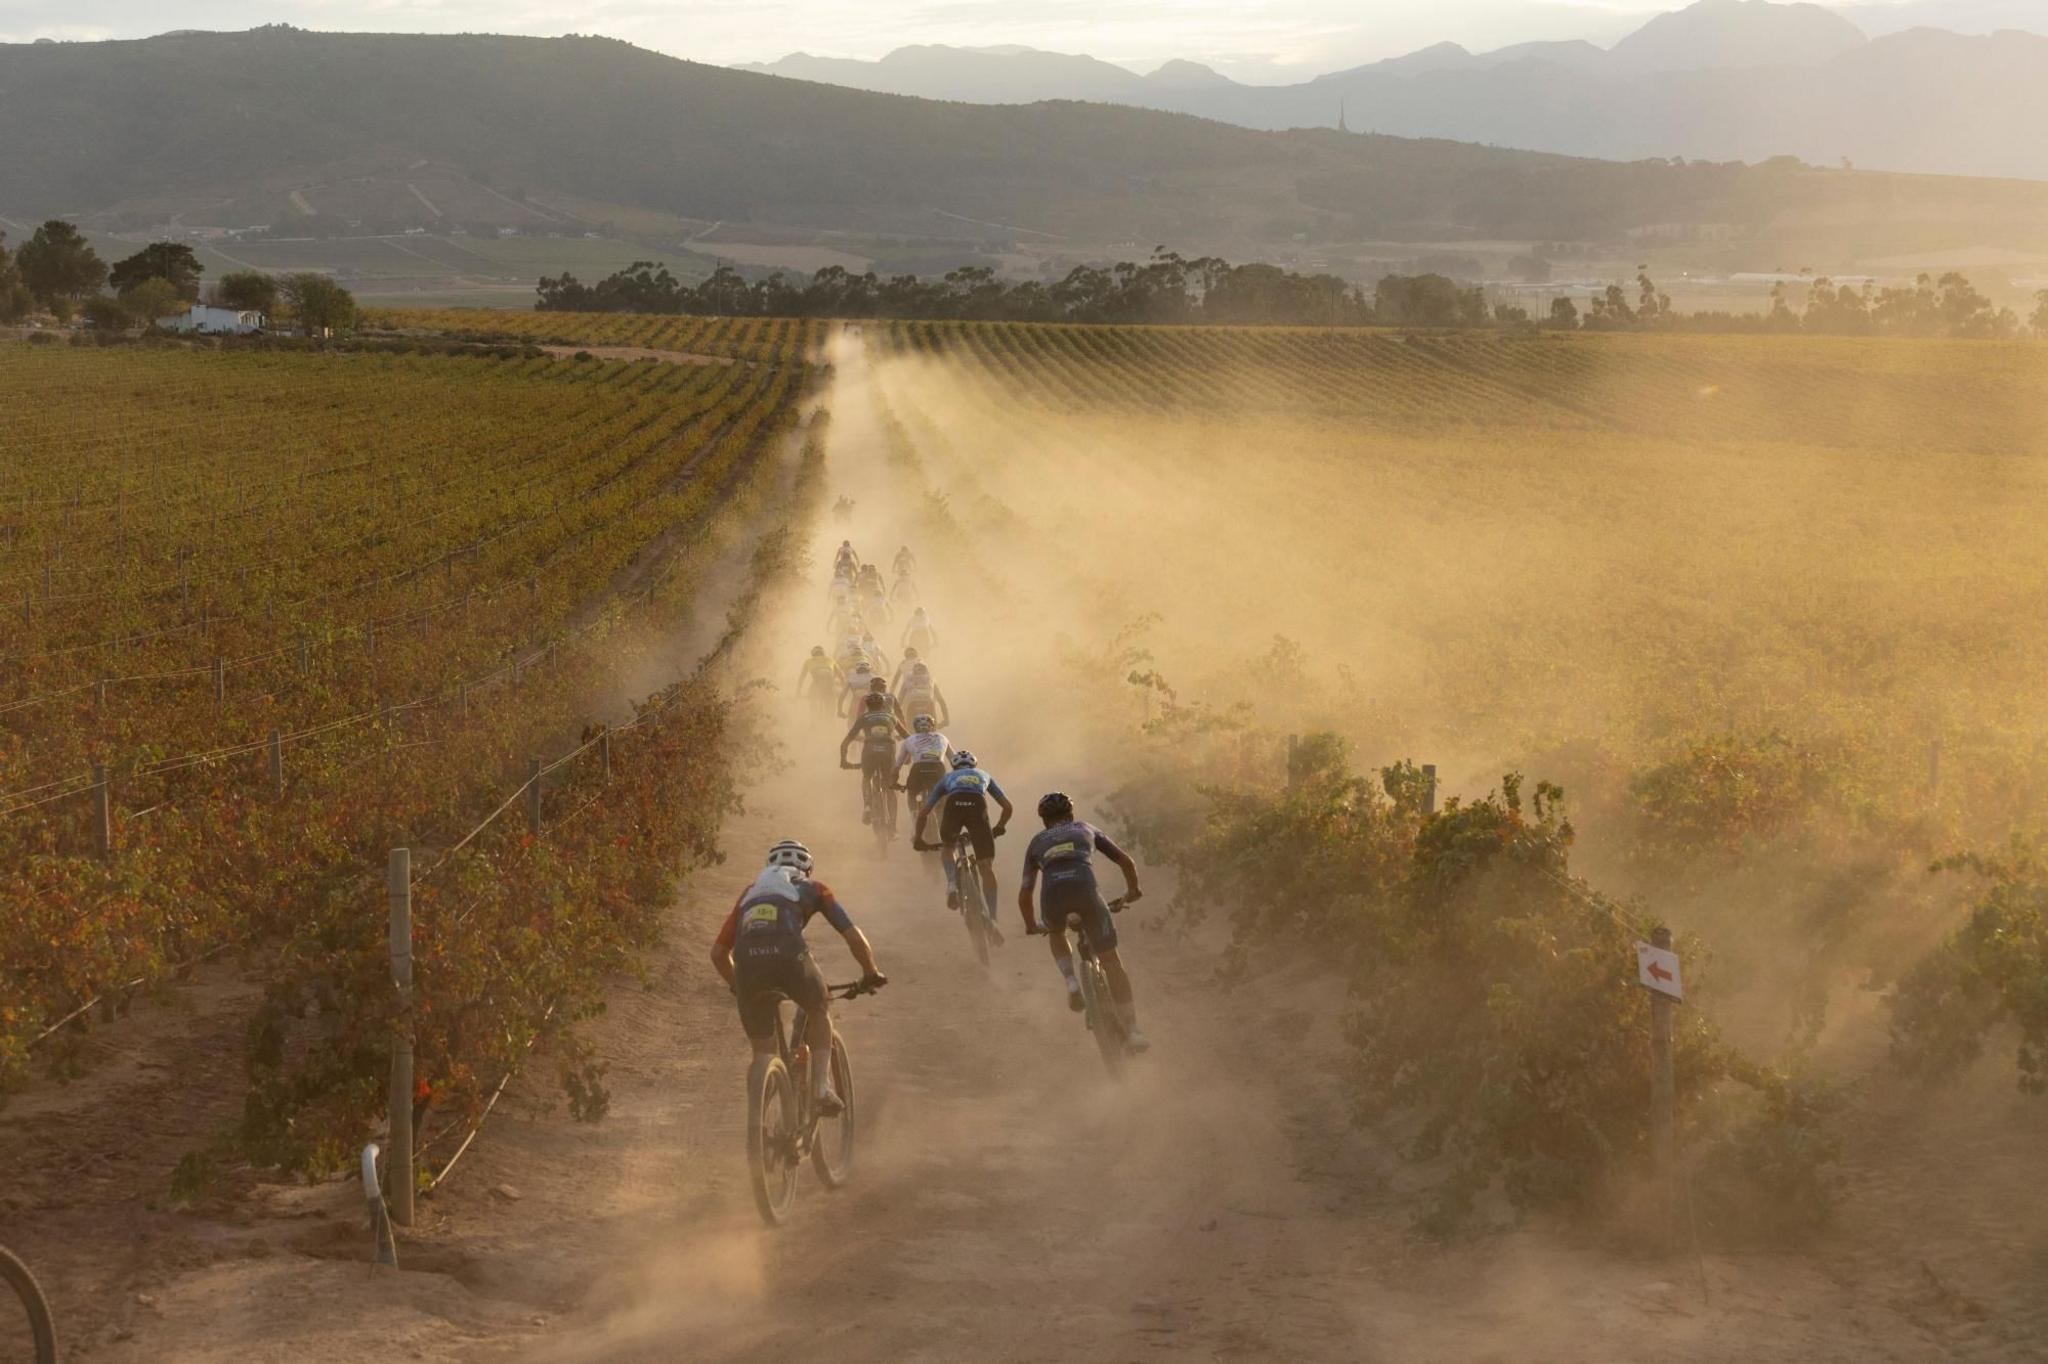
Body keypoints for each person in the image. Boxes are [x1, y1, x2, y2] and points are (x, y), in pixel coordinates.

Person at [710, 839, 886, 1116]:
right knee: (819, 1007)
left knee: (762, 1051)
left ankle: (759, 1114)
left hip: (747, 966)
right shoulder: (813, 888)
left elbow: (719, 953)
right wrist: (870, 972)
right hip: (790, 956)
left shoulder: (749, 893)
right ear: (806, 868)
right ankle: (821, 1089)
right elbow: (852, 935)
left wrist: (738, 986)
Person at [1019, 792, 1147, 1052]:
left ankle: (1071, 981)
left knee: (1056, 932)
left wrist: (1031, 924)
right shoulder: (1085, 828)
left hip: (1052, 895)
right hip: (1086, 891)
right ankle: (1133, 1030)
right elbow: (1126, 861)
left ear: (1044, 821)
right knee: (1111, 961)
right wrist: (1132, 891)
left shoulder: (1036, 842)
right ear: (1071, 815)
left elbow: (1026, 891)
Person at [912, 750, 1013, 924]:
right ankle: (993, 916)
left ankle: (952, 883)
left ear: (954, 765)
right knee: (986, 867)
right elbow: (1007, 807)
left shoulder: (947, 778)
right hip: (977, 806)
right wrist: (999, 827)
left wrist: (918, 838)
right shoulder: (983, 775)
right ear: (974, 765)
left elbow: (923, 813)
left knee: (948, 846)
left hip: (954, 805)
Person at [838, 692, 907, 823]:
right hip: (888, 751)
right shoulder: (891, 716)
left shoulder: (863, 717)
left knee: (867, 777)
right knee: (890, 787)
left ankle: (868, 806)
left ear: (867, 705)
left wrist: (844, 760)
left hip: (869, 751)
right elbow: (909, 738)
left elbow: (846, 741)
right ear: (883, 704)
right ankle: (893, 826)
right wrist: (909, 757)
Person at [894, 714, 953, 823]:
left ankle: (914, 816)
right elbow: (954, 760)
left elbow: (898, 764)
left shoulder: (909, 739)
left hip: (918, 769)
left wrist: (893, 780)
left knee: (911, 793)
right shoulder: (942, 737)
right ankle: (942, 820)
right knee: (943, 795)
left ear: (915, 727)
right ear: (933, 726)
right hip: (938, 769)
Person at [897, 661, 949, 729]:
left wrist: (896, 719)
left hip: (912, 705)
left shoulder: (908, 679)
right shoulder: (931, 679)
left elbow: (900, 699)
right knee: (933, 730)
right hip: (928, 704)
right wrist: (946, 719)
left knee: (909, 731)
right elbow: (941, 700)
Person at [795, 646, 844, 715]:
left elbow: (802, 677)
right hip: (830, 684)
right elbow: (841, 675)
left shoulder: (808, 661)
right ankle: (831, 719)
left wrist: (798, 691)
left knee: (813, 700)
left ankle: (814, 719)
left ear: (813, 654)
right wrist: (844, 687)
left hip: (816, 682)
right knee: (831, 702)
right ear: (823, 653)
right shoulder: (830, 660)